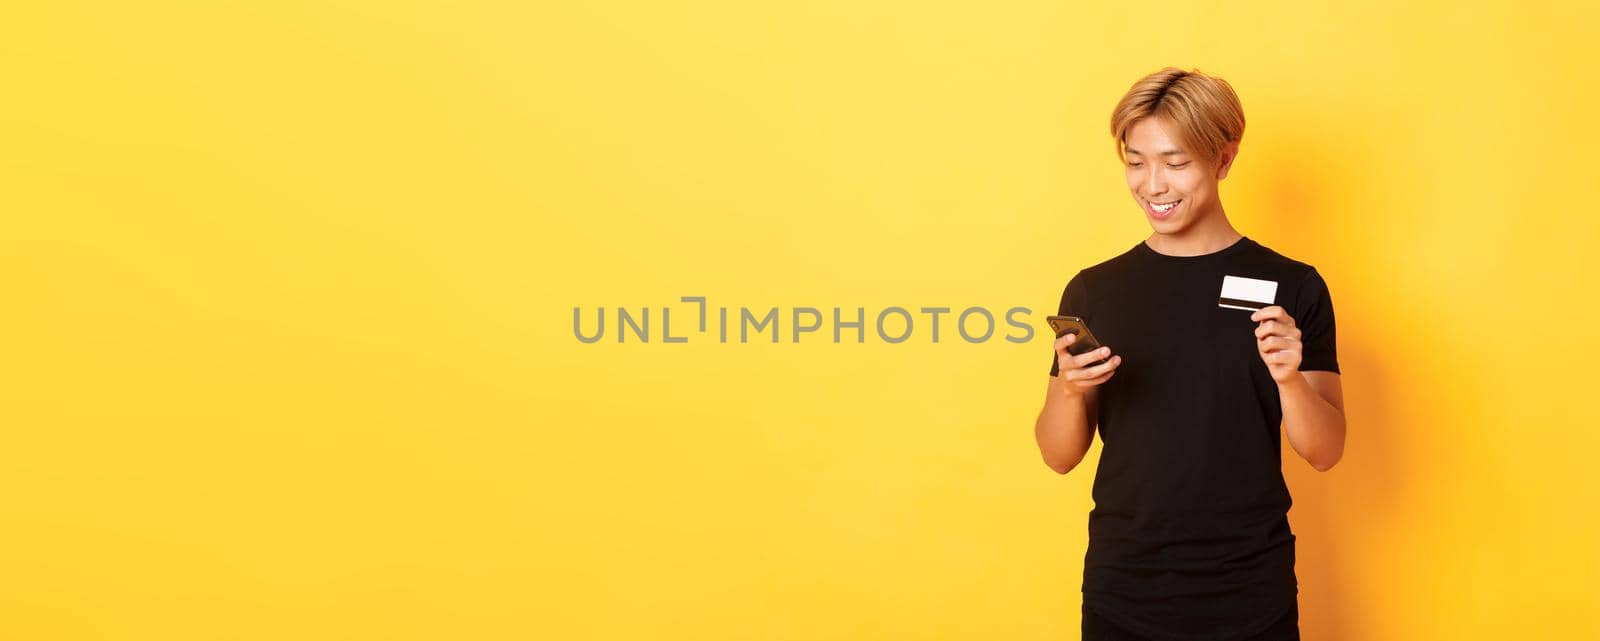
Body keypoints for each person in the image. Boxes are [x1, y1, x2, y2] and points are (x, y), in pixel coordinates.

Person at [1033, 67, 1347, 641]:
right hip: (1123, 588)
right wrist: (1073, 390)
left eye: (1175, 163)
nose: (1153, 185)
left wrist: (1290, 380)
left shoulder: (1292, 287)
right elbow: (1059, 455)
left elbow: (1325, 451)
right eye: (1136, 161)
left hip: (1251, 591)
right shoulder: (1094, 290)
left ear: (1224, 160)